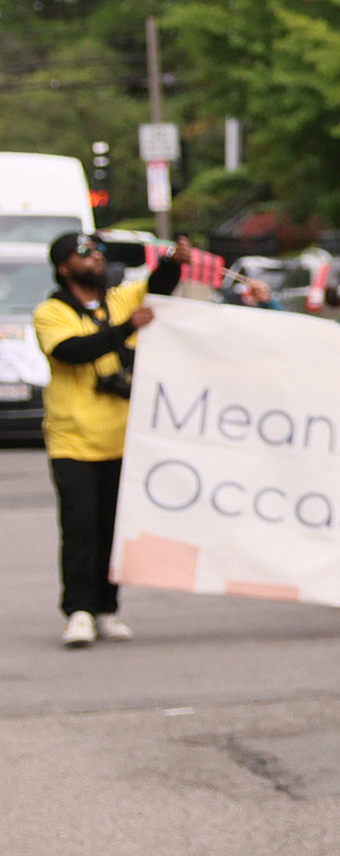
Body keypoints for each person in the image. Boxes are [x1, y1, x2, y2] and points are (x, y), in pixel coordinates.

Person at [36, 230, 180, 647]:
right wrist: (124, 330)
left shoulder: (119, 298)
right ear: (64, 267)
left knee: (112, 529)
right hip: (74, 442)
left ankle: (106, 608)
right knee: (80, 529)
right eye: (84, 253)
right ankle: (78, 611)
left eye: (98, 252)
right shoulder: (51, 311)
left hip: (121, 439)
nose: (95, 258)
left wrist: (172, 260)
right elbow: (71, 351)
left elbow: (159, 287)